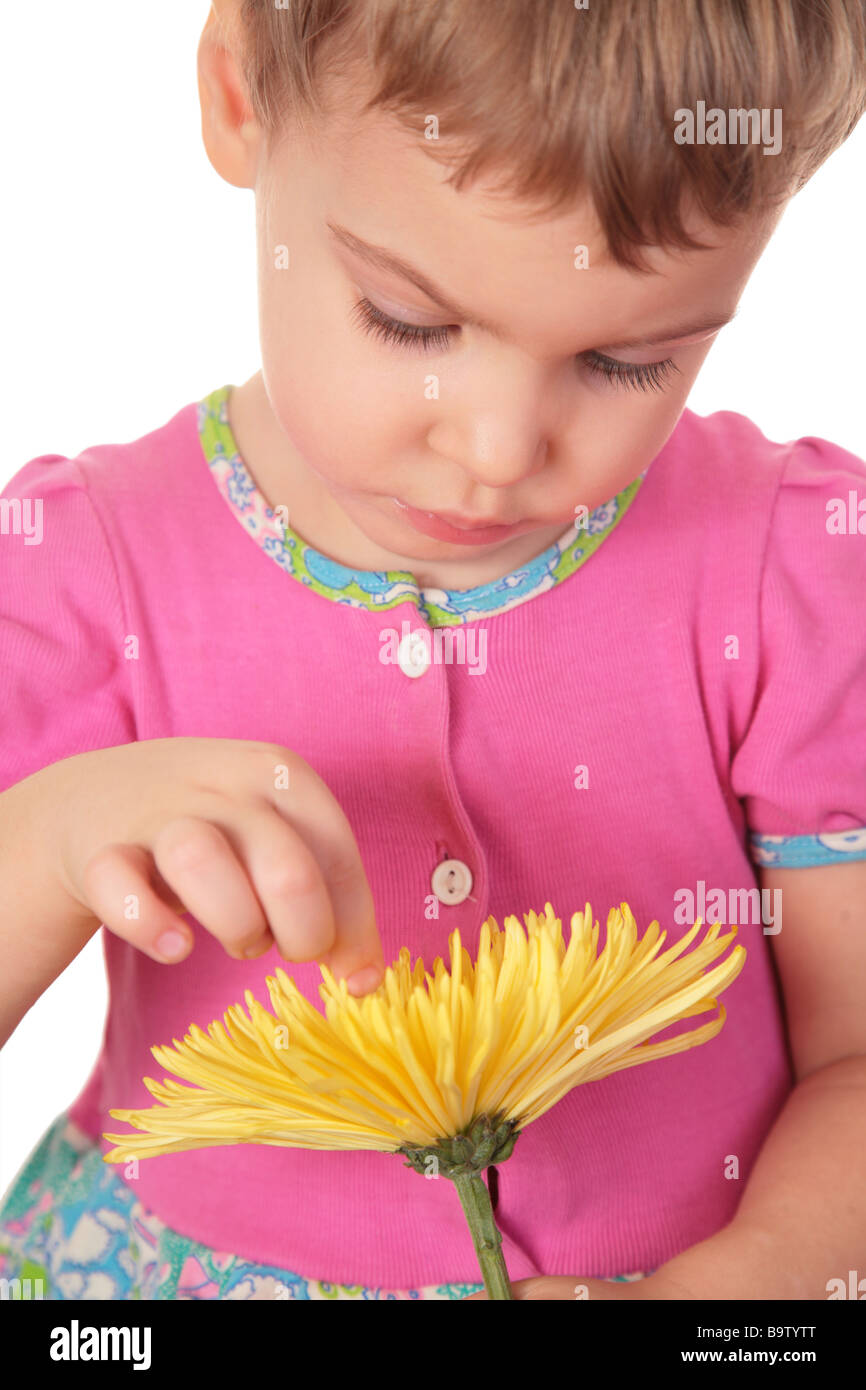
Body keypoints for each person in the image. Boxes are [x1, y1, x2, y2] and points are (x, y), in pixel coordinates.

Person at [1, 0, 865, 1301]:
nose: (499, 446)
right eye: (410, 323)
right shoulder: (77, 564)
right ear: (242, 99)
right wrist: (53, 836)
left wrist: (748, 1285)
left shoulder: (795, 573)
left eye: (630, 358)